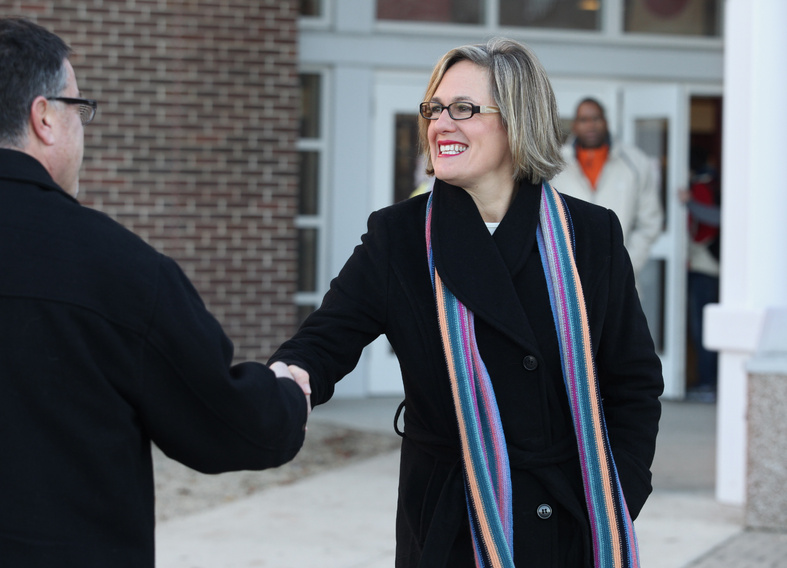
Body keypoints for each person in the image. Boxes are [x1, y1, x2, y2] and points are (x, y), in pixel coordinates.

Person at [270, 38, 663, 567]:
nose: (440, 124)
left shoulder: (590, 235)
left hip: (574, 521)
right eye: (433, 108)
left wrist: (622, 491)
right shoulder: (401, 237)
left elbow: (633, 380)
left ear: (518, 120)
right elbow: (325, 340)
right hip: (451, 529)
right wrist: (286, 380)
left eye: (463, 109)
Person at [0, 18, 310, 567]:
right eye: (78, 108)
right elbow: (227, 426)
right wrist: (285, 392)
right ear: (44, 116)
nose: (81, 127)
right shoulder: (118, 268)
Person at [551, 97, 663, 277]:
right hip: (567, 278)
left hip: (619, 278)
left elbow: (650, 223)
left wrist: (625, 266)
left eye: (596, 118)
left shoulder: (634, 162)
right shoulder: (555, 164)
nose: (591, 125)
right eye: (584, 120)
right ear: (574, 125)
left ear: (606, 122)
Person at [681, 146, 721, 402]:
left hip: (704, 268)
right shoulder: (711, 183)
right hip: (709, 267)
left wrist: (688, 203)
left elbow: (710, 223)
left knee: (702, 327)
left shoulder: (700, 187)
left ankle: (708, 383)